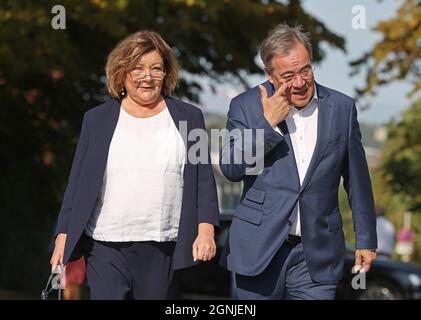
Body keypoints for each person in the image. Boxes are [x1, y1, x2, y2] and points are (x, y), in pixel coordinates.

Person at [50, 30, 220, 300]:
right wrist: (63, 235)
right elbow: (77, 183)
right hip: (104, 245)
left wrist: (206, 230)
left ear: (166, 74)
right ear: (122, 72)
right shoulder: (96, 120)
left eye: (156, 68)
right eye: (138, 68)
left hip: (162, 244)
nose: (147, 76)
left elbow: (203, 180)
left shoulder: (190, 118)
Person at [219, 24, 377, 300]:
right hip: (259, 251)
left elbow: (357, 180)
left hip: (316, 256)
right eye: (288, 75)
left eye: (305, 70)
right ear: (270, 75)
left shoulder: (341, 107)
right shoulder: (245, 106)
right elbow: (232, 168)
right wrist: (266, 123)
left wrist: (366, 238)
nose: (300, 82)